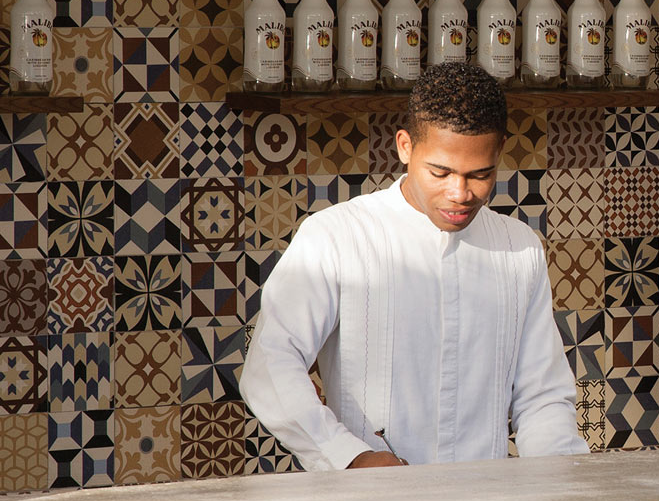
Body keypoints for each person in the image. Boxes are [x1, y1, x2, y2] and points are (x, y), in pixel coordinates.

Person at [240, 62, 588, 469]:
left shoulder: (518, 249)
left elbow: (542, 396)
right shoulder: (335, 237)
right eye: (440, 172)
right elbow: (270, 362)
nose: (460, 193)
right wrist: (348, 456)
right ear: (405, 146)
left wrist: (560, 483)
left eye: (481, 174)